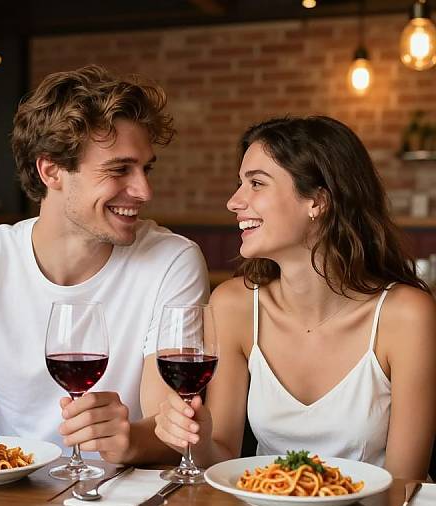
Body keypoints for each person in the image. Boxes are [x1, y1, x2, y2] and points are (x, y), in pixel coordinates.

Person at [0, 64, 209, 465]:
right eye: (119, 169)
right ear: (51, 170)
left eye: (146, 169)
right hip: (7, 489)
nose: (144, 190)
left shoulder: (171, 260)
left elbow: (170, 421)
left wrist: (128, 442)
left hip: (125, 495)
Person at [154, 115, 436, 480]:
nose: (233, 202)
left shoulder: (406, 316)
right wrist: (197, 440)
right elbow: (221, 461)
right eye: (240, 183)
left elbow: (403, 484)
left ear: (317, 202)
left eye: (256, 183)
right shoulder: (233, 306)